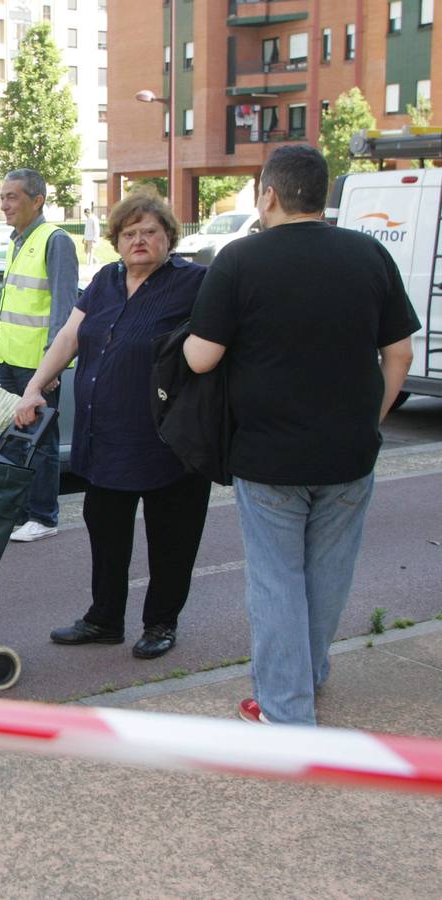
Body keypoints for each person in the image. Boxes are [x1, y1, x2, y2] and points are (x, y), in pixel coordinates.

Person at [183, 145, 418, 725]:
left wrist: (189, 341)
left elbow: (202, 359)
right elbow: (400, 352)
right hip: (350, 453)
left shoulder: (241, 260)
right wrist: (374, 416)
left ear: (268, 194)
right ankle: (308, 675)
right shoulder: (368, 255)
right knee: (328, 576)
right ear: (322, 193)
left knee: (276, 582)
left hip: (268, 457)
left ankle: (286, 709)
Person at [14, 193, 212, 660]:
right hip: (104, 437)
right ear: (116, 241)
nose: (139, 241)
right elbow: (69, 336)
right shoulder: (105, 279)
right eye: (129, 233)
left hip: (169, 440)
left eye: (149, 232)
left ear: (168, 237)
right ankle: (105, 619)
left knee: (171, 537)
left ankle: (161, 622)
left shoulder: (196, 282)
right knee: (106, 531)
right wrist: (36, 385)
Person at [0, 168, 78, 542]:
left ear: (37, 200)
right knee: (13, 439)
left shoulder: (54, 240)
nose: (4, 204)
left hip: (38, 366)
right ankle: (20, 512)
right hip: (10, 360)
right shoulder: (17, 241)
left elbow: (64, 307)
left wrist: (51, 365)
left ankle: (43, 517)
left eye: (12, 196)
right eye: (2, 196)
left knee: (41, 441)